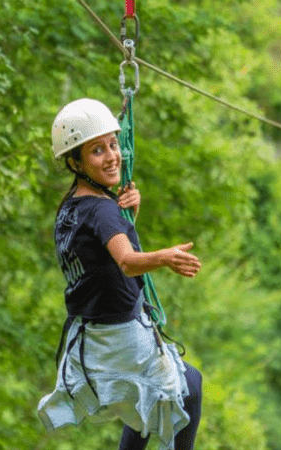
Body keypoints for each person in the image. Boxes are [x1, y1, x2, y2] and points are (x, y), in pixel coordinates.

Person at [37, 98, 203, 450]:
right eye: (97, 151)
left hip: (91, 336)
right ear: (75, 162)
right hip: (120, 336)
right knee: (190, 385)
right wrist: (166, 257)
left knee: (142, 404)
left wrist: (130, 216)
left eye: (114, 144)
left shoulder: (71, 207)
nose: (112, 156)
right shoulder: (102, 210)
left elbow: (104, 257)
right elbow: (126, 261)